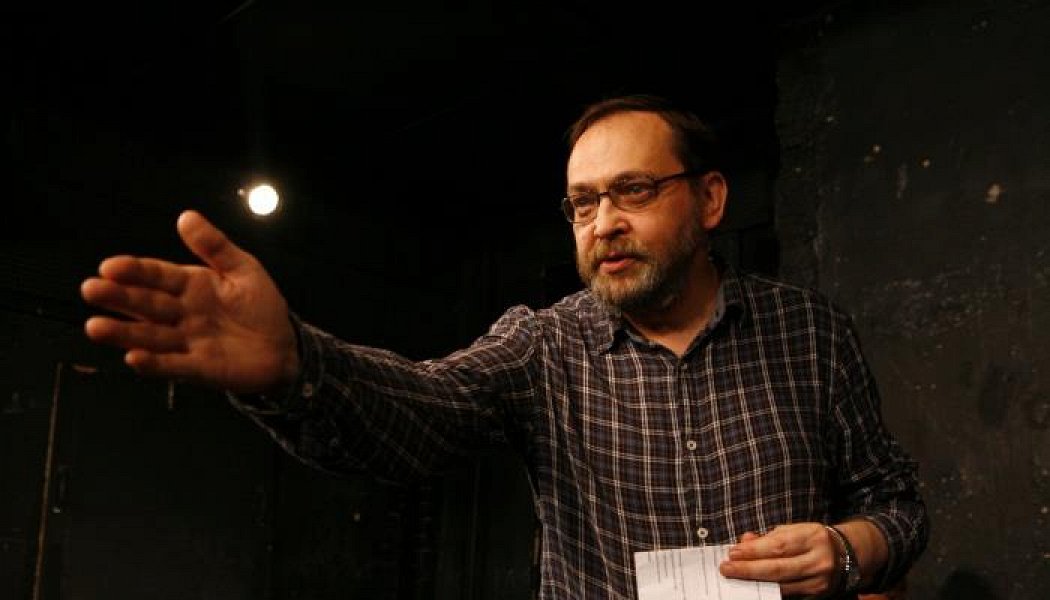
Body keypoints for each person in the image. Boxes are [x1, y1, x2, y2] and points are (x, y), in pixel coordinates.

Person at [80, 95, 928, 599]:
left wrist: (848, 550)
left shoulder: (811, 333)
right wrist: (298, 367)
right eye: (582, 204)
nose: (604, 223)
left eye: (632, 191)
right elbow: (418, 409)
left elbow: (897, 503)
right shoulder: (542, 346)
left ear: (709, 200)